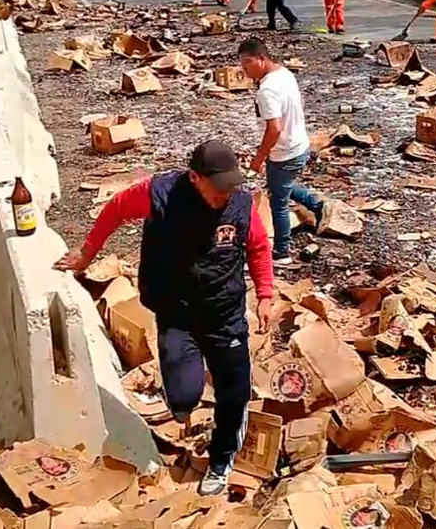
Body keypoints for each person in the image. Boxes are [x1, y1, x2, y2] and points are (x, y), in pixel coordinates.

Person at [53, 140, 274, 497]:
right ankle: (183, 402)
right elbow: (115, 210)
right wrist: (85, 255)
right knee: (183, 398)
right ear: (195, 177)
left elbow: (259, 248)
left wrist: (265, 294)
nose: (225, 194)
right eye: (218, 187)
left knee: (234, 393)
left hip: (224, 312)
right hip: (176, 311)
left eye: (230, 186)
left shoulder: (240, 204)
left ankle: (221, 461)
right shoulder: (159, 194)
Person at [238, 38, 325, 265]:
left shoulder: (267, 90)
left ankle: (281, 251)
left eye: (247, 63)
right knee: (281, 185)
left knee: (278, 202)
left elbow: (274, 129)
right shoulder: (284, 73)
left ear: (261, 59)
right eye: (242, 64)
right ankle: (318, 207)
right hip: (299, 144)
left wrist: (259, 157)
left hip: (284, 152)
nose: (244, 69)